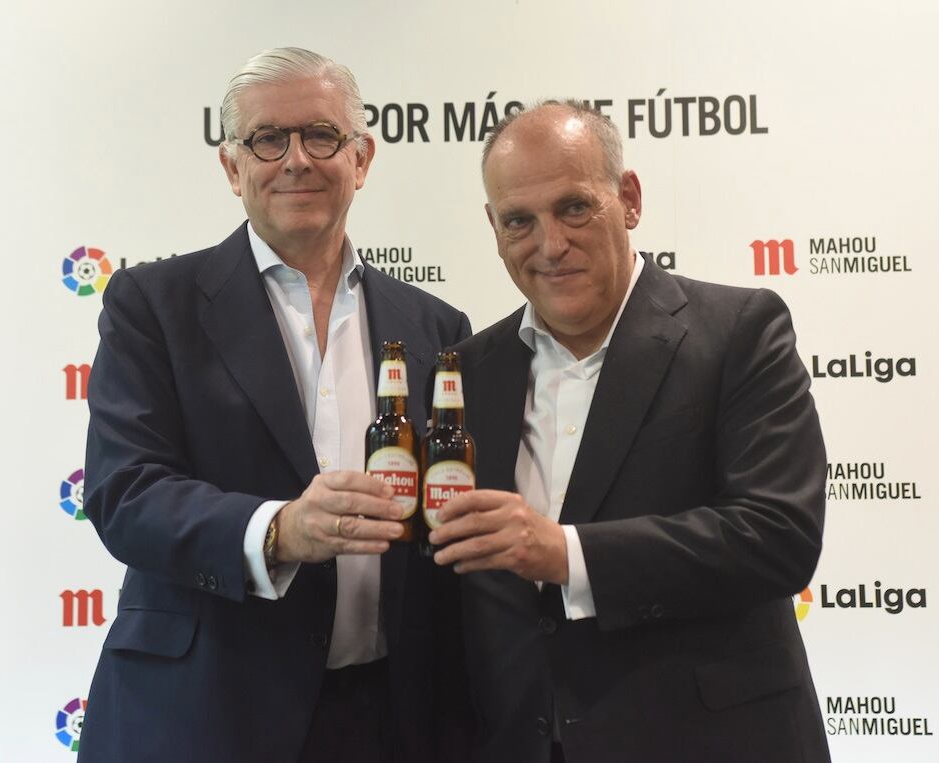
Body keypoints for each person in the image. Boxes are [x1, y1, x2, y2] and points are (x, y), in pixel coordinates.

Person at [77, 47, 471, 762]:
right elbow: (125, 493)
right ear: (232, 168)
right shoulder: (152, 306)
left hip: (389, 719)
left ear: (361, 158)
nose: (296, 160)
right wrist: (280, 530)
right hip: (204, 713)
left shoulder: (436, 328)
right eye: (267, 139)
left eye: (321, 135)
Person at [428, 101, 831, 763]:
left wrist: (566, 553)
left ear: (630, 199)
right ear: (493, 228)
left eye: (573, 208)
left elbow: (777, 536)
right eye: (519, 220)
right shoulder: (467, 370)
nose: (550, 244)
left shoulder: (739, 330)